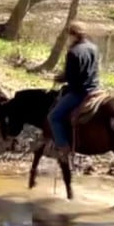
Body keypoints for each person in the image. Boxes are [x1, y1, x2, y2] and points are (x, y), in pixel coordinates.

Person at [48, 21, 100, 160]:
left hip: (80, 92)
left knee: (54, 117)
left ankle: (63, 147)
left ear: (72, 35)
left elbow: (72, 79)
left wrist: (61, 79)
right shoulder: (93, 47)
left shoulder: (73, 52)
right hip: (95, 88)